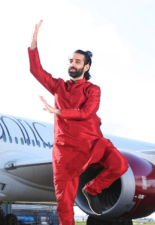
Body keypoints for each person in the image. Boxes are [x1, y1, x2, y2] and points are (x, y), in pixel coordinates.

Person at [28, 20, 129, 224]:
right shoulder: (59, 87)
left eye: (77, 62)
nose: (72, 65)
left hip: (92, 143)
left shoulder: (93, 90)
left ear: (86, 66)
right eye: (71, 61)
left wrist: (56, 110)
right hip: (65, 152)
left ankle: (92, 189)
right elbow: (36, 71)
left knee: (120, 164)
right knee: (64, 206)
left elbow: (86, 112)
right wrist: (33, 43)